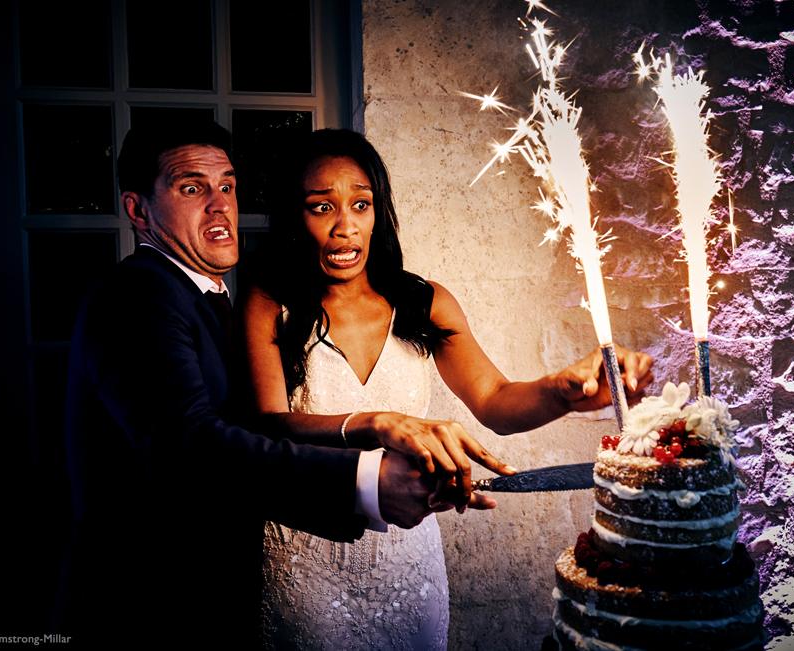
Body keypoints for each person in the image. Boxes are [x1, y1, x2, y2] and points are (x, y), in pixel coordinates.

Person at [58, 120, 507, 649]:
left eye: (226, 185)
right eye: (191, 188)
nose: (219, 203)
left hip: (217, 600)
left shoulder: (210, 297)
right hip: (150, 607)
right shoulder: (137, 295)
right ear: (138, 210)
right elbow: (191, 447)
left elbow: (243, 429)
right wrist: (366, 478)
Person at [241, 128, 655, 650]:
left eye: (361, 205)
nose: (345, 228)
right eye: (322, 208)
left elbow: (496, 400)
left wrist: (563, 389)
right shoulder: (265, 301)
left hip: (410, 561)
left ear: (379, 211)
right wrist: (376, 422)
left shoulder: (425, 302)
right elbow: (268, 426)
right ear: (295, 218)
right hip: (309, 553)